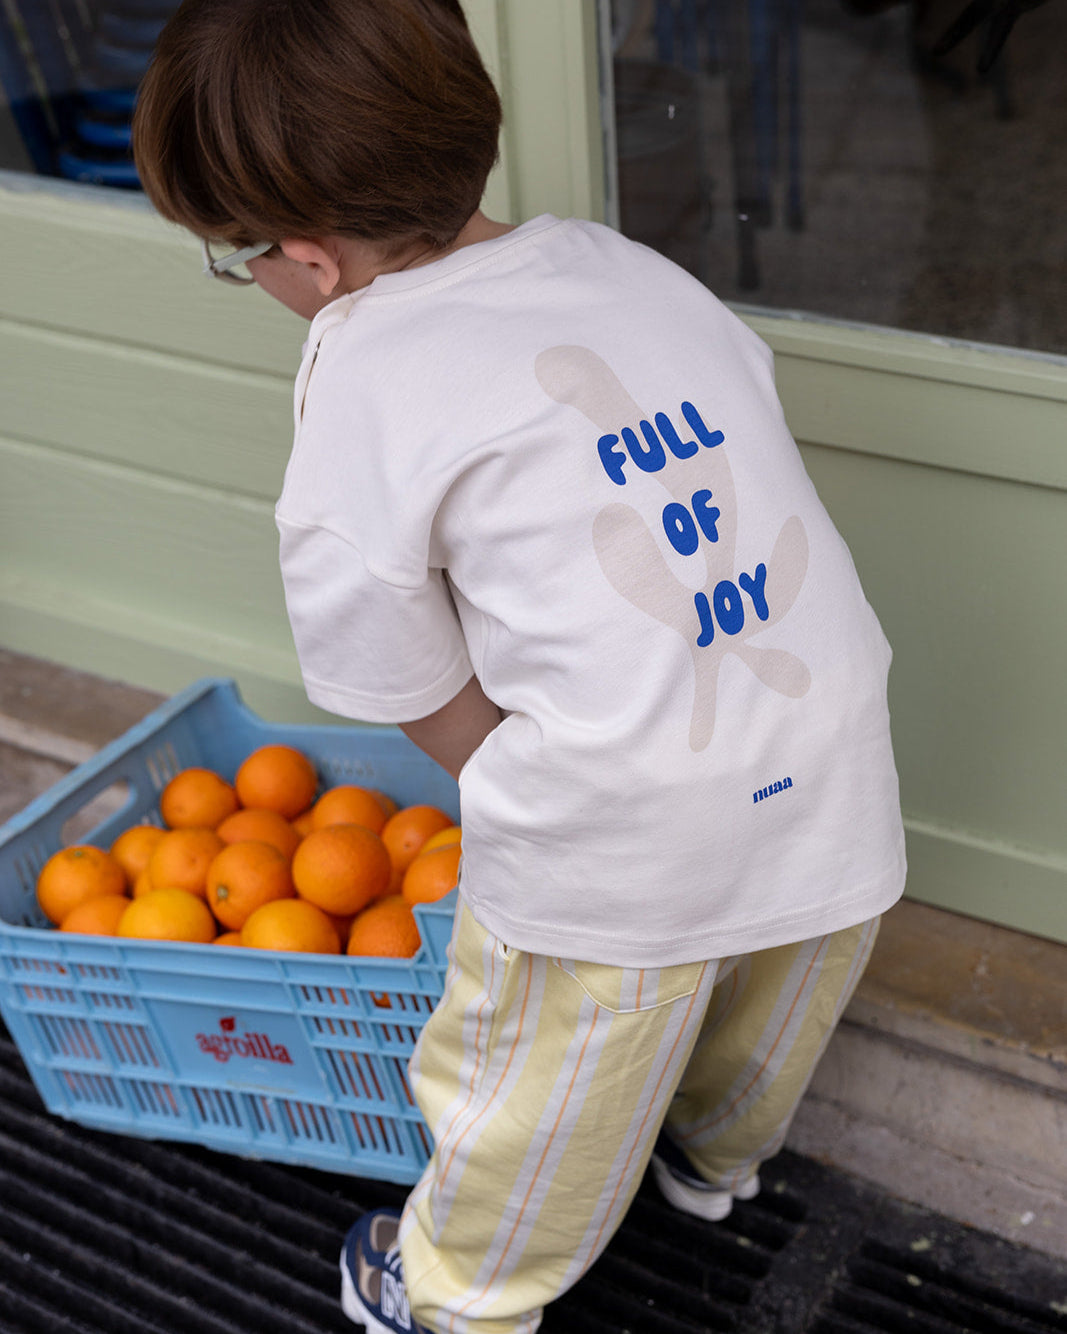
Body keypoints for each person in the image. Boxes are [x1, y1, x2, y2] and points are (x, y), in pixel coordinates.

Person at [132, 2, 907, 1330]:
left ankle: (457, 1294)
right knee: (769, 990)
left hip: (631, 808)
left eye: (236, 257)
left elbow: (392, 666)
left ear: (308, 262)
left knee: (539, 1074)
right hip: (829, 735)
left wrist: (517, 783)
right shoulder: (621, 264)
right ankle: (714, 1162)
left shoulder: (364, 370)